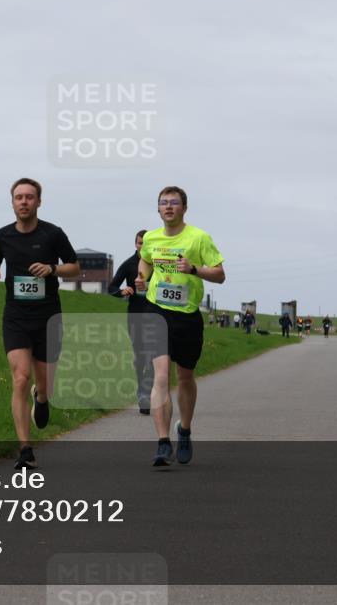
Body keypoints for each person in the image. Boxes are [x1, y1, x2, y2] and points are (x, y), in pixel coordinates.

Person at [0, 178, 80, 469]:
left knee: (42, 383)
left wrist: (52, 269)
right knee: (20, 378)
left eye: (29, 197)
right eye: (18, 197)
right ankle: (25, 449)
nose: (23, 202)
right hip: (15, 318)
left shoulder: (53, 234)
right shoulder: (2, 236)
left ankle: (42, 398)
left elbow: (75, 268)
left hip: (48, 318)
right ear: (12, 202)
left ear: (39, 201)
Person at [135, 186, 225, 467]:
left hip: (186, 316)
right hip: (156, 311)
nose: (169, 207)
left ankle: (184, 429)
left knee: (185, 377)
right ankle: (163, 443)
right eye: (164, 203)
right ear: (158, 209)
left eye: (174, 203)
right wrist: (141, 277)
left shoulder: (199, 238)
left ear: (184, 208)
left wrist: (195, 270)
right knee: (161, 375)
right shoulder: (151, 238)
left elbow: (220, 275)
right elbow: (146, 260)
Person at [108, 229, 154, 415]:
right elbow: (111, 287)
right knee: (141, 357)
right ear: (135, 244)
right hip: (135, 316)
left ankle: (148, 392)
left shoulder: (158, 264)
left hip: (157, 316)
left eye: (146, 243)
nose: (143, 246)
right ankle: (142, 392)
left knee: (154, 357)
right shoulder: (128, 265)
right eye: (140, 243)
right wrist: (122, 291)